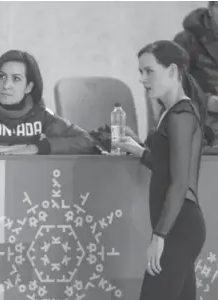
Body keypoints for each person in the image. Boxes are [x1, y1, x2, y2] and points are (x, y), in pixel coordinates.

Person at [114, 40, 206, 300]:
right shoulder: (172, 113)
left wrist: (159, 236)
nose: (142, 79)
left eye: (149, 71)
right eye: (140, 72)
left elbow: (179, 183)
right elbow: (166, 166)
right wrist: (139, 151)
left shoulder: (181, 116)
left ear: (173, 71)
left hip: (179, 226)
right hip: (179, 225)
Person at [0, 50, 94, 155]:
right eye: (1, 76)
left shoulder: (39, 112)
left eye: (16, 79)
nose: (6, 85)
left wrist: (36, 148)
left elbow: (85, 140)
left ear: (28, 87)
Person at [174, 1, 218, 143]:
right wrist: (206, 101)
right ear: (211, 9)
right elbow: (171, 88)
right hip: (200, 117)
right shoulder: (186, 41)